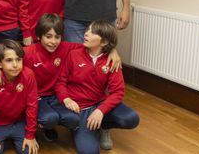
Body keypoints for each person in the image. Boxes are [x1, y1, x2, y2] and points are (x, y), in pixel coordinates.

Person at [0, 14, 121, 143]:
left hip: (56, 95)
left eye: (57, 37)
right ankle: (44, 127)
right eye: (48, 37)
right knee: (49, 118)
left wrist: (112, 51)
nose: (53, 42)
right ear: (39, 36)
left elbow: (97, 48)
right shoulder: (29, 52)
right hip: (36, 96)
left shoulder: (67, 48)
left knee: (74, 119)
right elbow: (0, 59)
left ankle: (57, 125)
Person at [55, 20, 139, 153]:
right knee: (90, 152)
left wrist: (100, 110)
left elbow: (118, 92)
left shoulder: (111, 60)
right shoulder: (73, 54)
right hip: (80, 109)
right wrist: (67, 99)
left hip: (99, 104)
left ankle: (102, 126)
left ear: (104, 42)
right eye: (87, 30)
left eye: (92, 32)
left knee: (131, 118)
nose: (86, 33)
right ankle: (78, 127)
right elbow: (60, 83)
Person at [0, 40, 39, 154]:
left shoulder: (28, 75)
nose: (15, 65)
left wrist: (30, 135)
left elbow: (32, 106)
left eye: (18, 60)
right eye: (9, 60)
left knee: (29, 151)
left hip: (19, 122)